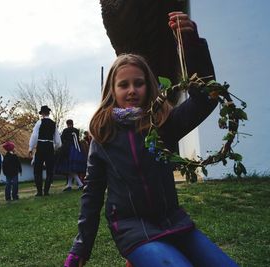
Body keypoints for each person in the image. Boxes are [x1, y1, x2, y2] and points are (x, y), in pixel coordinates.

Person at [63, 54, 238, 267]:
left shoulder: (165, 124)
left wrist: (191, 45)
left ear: (149, 86)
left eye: (139, 83)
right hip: (131, 227)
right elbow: (92, 193)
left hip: (174, 222)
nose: (132, 90)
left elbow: (206, 98)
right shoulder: (104, 135)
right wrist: (81, 246)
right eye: (123, 85)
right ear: (113, 90)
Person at [28, 105, 62, 196]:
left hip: (41, 145)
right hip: (49, 146)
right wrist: (55, 147)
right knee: (49, 169)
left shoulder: (39, 122)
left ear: (42, 113)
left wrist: (30, 148)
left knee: (37, 168)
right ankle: (46, 191)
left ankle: (39, 191)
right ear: (48, 113)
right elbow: (57, 140)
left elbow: (34, 136)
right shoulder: (53, 123)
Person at [56, 119, 85, 191]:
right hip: (75, 150)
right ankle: (69, 185)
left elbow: (62, 139)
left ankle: (80, 184)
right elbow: (77, 140)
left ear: (67, 124)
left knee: (69, 167)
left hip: (67, 150)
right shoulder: (76, 130)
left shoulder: (65, 130)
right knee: (71, 168)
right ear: (73, 123)